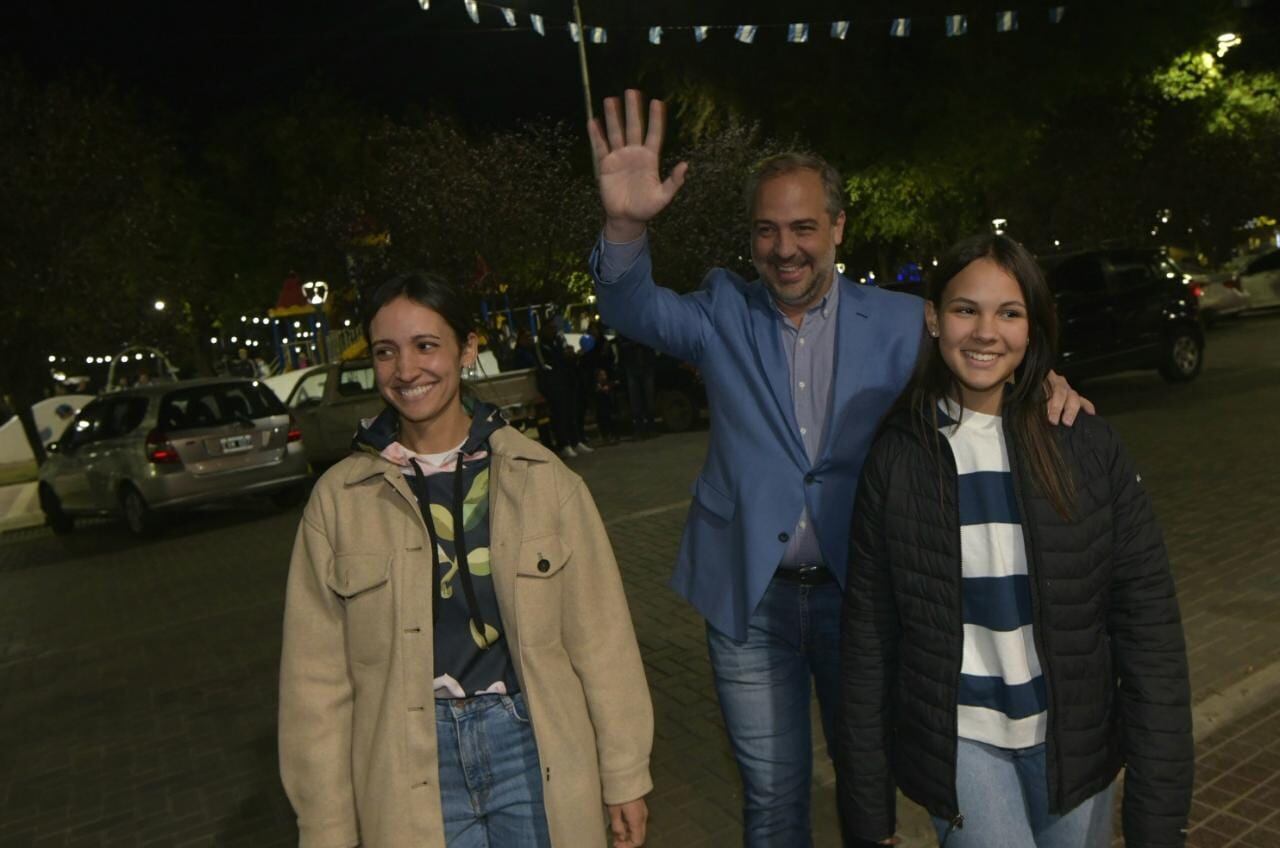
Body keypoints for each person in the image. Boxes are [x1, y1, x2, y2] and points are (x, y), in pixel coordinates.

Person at [586, 89, 1090, 846]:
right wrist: (625, 225)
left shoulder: (899, 320)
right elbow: (629, 307)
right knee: (772, 797)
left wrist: (1041, 383)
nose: (784, 248)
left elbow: (979, 361)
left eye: (802, 228)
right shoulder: (721, 310)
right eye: (766, 230)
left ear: (838, 227)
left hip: (864, 597)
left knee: (869, 783)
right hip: (749, 601)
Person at [836, 235, 1193, 848]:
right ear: (932, 318)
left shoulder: (1083, 443)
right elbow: (869, 642)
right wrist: (868, 819)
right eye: (964, 309)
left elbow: (1149, 630)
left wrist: (1158, 822)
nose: (985, 332)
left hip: (1074, 741)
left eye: (1009, 312)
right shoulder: (897, 458)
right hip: (961, 743)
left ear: (1033, 327)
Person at [278, 272, 653, 848]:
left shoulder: (543, 480)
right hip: (406, 769)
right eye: (386, 352)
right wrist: (325, 825)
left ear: (468, 348)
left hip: (531, 752)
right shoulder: (338, 501)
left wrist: (624, 772)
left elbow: (601, 640)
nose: (406, 371)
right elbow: (316, 684)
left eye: (426, 345)